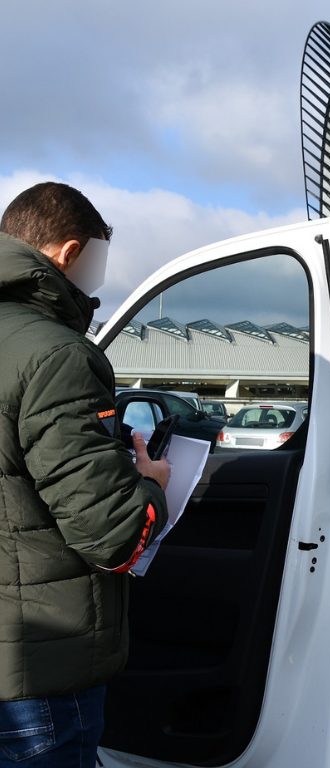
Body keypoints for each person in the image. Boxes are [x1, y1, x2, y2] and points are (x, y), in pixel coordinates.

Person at [0, 182, 170, 765]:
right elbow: (114, 534)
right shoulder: (58, 355)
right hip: (39, 670)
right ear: (69, 253)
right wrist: (153, 485)